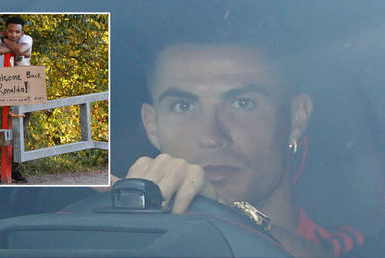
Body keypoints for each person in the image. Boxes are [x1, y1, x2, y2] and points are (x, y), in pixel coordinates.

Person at [110, 43, 364, 257]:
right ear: (152, 125)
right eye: (183, 106)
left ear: (296, 118)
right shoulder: (115, 241)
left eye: (243, 103)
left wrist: (223, 216)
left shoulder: (348, 247)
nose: (211, 136)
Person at [0, 16, 32, 183]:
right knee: (4, 130)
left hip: (24, 90)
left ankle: (14, 170)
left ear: (22, 32)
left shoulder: (27, 38)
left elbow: (23, 51)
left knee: (20, 132)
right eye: (10, 31)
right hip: (5, 89)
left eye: (17, 32)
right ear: (6, 29)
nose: (14, 34)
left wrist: (5, 41)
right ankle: (4, 171)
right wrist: (15, 48)